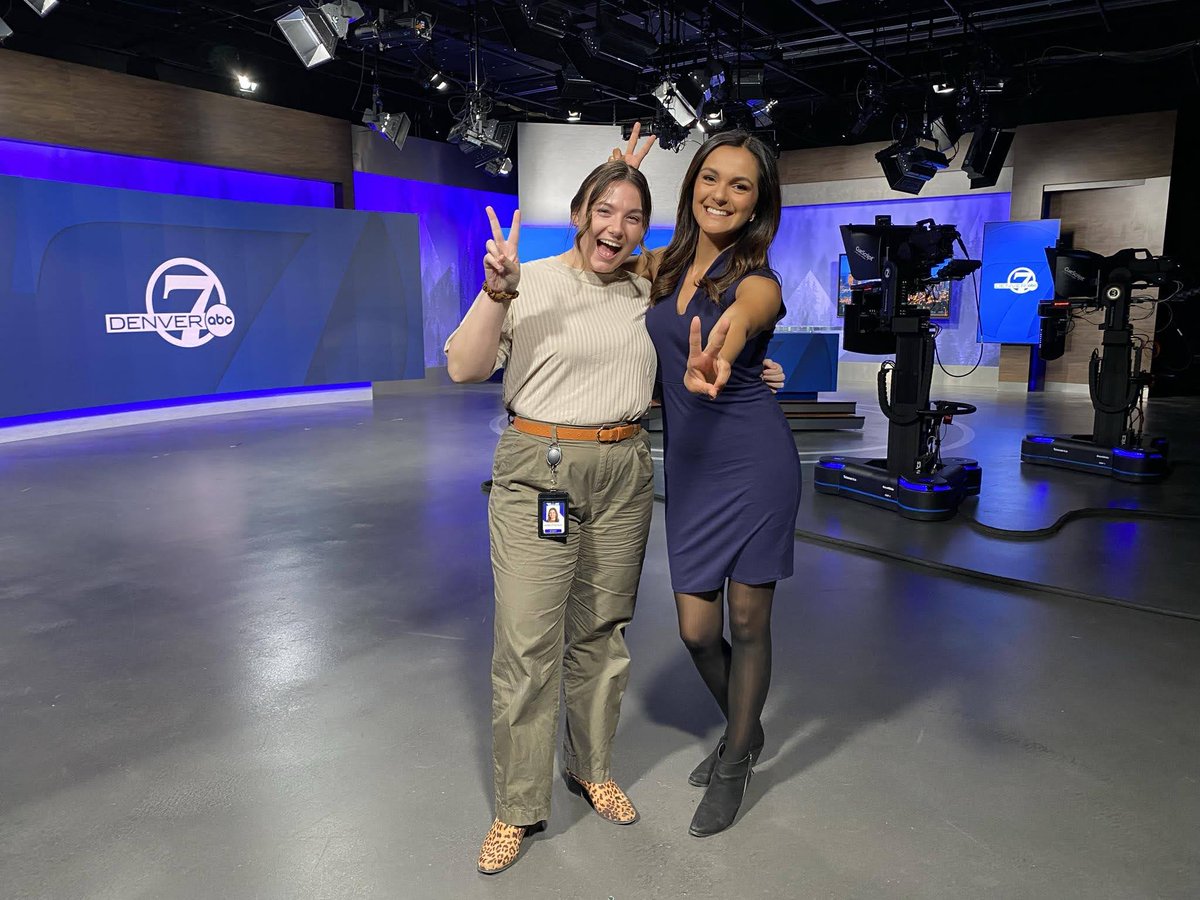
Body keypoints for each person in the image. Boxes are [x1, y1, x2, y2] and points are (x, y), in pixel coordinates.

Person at [446, 159, 656, 875]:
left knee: (603, 630)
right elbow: (465, 369)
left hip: (625, 472)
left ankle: (590, 768)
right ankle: (516, 807)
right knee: (529, 642)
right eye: (604, 211)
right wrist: (495, 291)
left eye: (632, 216)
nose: (616, 228)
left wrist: (762, 370)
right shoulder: (526, 280)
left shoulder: (643, 287)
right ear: (577, 214)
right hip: (544, 476)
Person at [620, 128, 802, 837]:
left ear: (758, 203)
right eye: (710, 178)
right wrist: (614, 179)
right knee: (698, 631)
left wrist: (723, 348)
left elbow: (745, 316)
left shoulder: (756, 278)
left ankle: (734, 758)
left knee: (749, 620)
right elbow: (597, 249)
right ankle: (746, 729)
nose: (720, 194)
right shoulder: (662, 265)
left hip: (754, 461)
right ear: (691, 182)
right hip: (692, 468)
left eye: (740, 185)